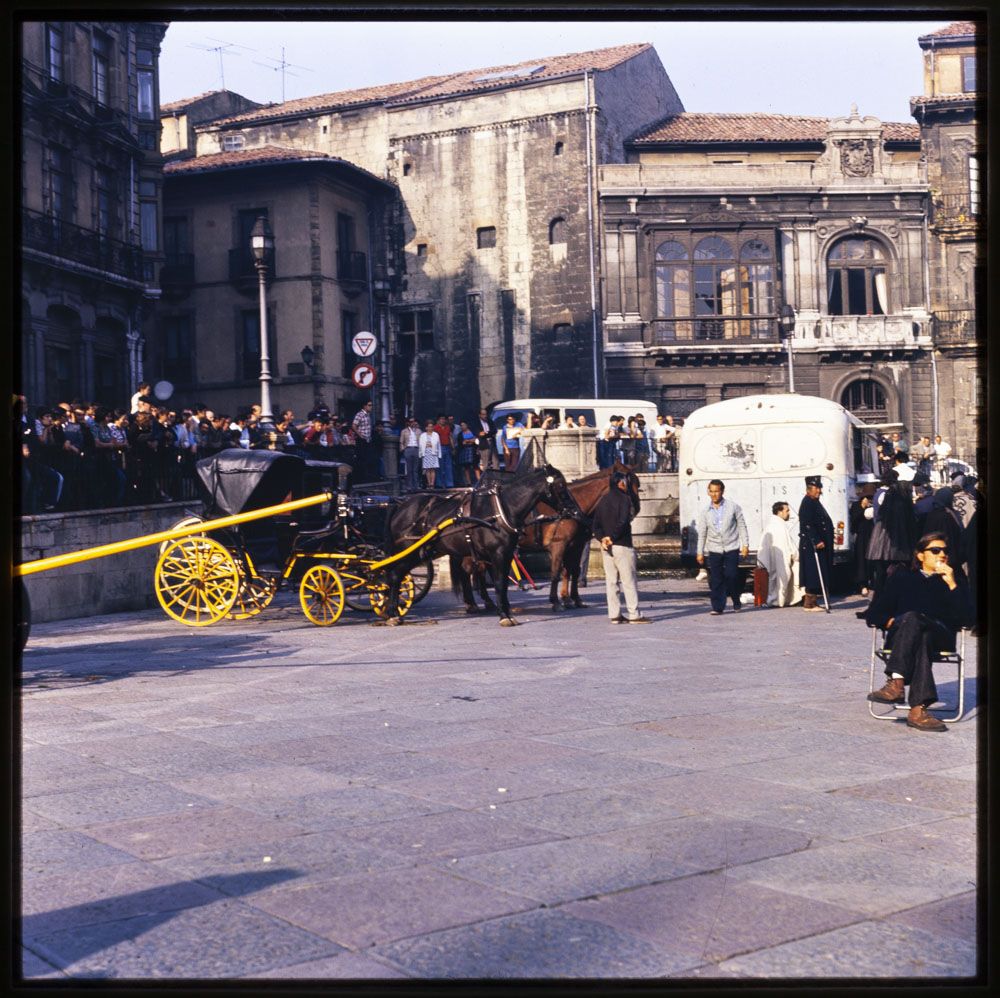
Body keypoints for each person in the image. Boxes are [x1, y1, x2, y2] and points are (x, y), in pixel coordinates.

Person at [865, 532, 973, 731]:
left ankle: (896, 683)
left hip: (940, 636)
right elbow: (874, 613)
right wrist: (889, 621)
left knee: (915, 619)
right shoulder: (902, 577)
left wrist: (952, 584)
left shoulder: (954, 579)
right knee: (917, 631)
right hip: (906, 637)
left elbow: (968, 619)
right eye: (935, 550)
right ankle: (917, 711)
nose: (942, 555)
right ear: (921, 555)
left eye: (945, 551)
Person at [592, 470, 650, 624]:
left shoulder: (602, 500)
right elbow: (623, 521)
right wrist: (612, 537)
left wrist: (603, 538)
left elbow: (595, 525)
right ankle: (634, 614)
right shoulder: (625, 499)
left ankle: (615, 614)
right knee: (628, 581)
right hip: (622, 544)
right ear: (621, 483)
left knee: (611, 582)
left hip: (606, 547)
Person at [696, 479, 749, 615]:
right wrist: (699, 552)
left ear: (722, 492)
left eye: (717, 491)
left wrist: (745, 544)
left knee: (731, 575)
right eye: (711, 491)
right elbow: (702, 533)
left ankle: (736, 599)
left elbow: (742, 526)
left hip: (731, 547)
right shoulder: (705, 512)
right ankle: (718, 607)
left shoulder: (733, 507)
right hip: (714, 549)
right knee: (716, 578)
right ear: (708, 492)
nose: (714, 495)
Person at [866, 469, 916, 594]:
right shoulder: (888, 494)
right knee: (886, 567)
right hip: (886, 533)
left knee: (882, 569)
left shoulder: (880, 493)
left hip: (880, 530)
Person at [756, 501, 803, 607]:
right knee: (782, 579)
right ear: (780, 512)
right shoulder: (780, 527)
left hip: (771, 561)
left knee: (774, 580)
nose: (789, 513)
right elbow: (788, 546)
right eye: (787, 511)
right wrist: (796, 555)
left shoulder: (771, 525)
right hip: (781, 560)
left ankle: (775, 600)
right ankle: (778, 601)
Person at [798, 475, 834, 611]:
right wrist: (817, 540)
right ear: (809, 489)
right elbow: (807, 524)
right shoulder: (807, 502)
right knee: (813, 572)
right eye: (817, 488)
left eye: (819, 488)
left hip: (819, 544)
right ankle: (809, 603)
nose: (819, 491)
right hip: (812, 545)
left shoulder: (814, 501)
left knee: (819, 572)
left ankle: (813, 602)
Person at [399, 417, 422, 491]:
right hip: (408, 448)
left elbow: (421, 441)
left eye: (414, 422)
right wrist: (403, 449)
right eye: (411, 422)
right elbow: (401, 441)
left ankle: (416, 486)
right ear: (408, 423)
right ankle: (409, 486)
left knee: (415, 469)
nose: (412, 423)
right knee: (409, 469)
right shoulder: (404, 431)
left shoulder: (419, 431)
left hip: (416, 449)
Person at [474, 408, 498, 474]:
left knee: (495, 461)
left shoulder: (490, 421)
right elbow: (477, 432)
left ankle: (496, 479)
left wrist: (486, 433)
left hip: (492, 442)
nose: (485, 416)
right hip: (484, 444)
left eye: (486, 414)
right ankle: (486, 480)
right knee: (486, 463)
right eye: (483, 414)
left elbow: (495, 430)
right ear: (480, 415)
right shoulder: (476, 423)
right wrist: (480, 433)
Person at [419, 419, 441, 488]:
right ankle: (429, 483)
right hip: (426, 453)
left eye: (431, 426)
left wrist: (438, 453)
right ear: (426, 427)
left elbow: (438, 444)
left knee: (433, 469)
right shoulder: (422, 435)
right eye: (429, 426)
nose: (430, 428)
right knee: (427, 469)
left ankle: (432, 483)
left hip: (433, 452)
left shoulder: (436, 435)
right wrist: (421, 453)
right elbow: (420, 445)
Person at [456, 420, 477, 485]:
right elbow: (462, 443)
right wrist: (471, 441)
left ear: (467, 425)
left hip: (473, 450)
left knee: (475, 466)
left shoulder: (472, 432)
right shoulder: (460, 435)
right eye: (461, 426)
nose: (462, 427)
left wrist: (469, 441)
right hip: (464, 450)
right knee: (466, 467)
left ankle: (478, 480)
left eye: (463, 425)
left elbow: (476, 440)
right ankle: (468, 482)